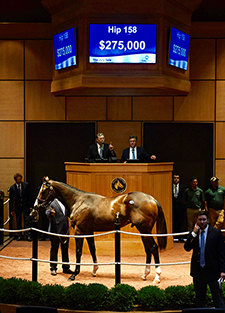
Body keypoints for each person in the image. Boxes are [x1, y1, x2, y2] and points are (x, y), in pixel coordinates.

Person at [184, 210, 225, 311]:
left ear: (208, 220)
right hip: (198, 273)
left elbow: (222, 253)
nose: (202, 222)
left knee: (218, 300)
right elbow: (187, 248)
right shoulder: (194, 233)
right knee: (200, 301)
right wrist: (193, 233)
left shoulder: (216, 233)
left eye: (204, 220)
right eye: (200, 220)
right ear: (196, 221)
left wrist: (223, 271)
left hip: (213, 272)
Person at [45, 198, 73, 276]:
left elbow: (69, 213)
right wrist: (50, 213)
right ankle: (53, 268)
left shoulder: (65, 202)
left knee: (65, 250)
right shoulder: (51, 202)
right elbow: (47, 212)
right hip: (55, 230)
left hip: (65, 230)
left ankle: (66, 267)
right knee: (54, 249)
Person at [9, 173, 32, 241]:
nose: (19, 181)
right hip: (17, 206)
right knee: (18, 221)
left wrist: (31, 206)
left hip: (26, 205)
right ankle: (19, 235)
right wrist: (11, 210)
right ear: (15, 180)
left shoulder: (26, 185)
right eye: (18, 179)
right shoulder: (12, 188)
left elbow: (29, 196)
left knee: (27, 220)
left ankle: (28, 235)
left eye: (20, 179)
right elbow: (11, 200)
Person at [172, 174, 187, 241]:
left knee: (180, 222)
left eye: (177, 178)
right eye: (175, 178)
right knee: (173, 222)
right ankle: (173, 236)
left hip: (181, 208)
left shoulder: (183, 187)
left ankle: (180, 236)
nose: (176, 179)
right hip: (172, 208)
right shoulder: (169, 186)